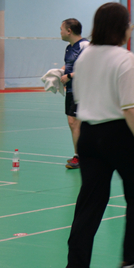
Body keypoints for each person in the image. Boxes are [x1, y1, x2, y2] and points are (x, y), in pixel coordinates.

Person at [54, 3, 134, 268]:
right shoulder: (125, 58)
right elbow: (129, 109)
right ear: (120, 27)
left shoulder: (84, 57)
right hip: (119, 136)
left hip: (88, 136)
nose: (131, 28)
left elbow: (88, 95)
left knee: (90, 203)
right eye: (129, 23)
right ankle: (131, 262)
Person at [59, 18, 88, 169]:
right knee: (73, 123)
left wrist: (70, 76)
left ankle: (80, 156)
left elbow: (90, 68)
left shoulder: (85, 46)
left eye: (61, 29)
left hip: (82, 90)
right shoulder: (69, 48)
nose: (60, 32)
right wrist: (58, 72)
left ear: (69, 31)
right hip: (71, 90)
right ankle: (80, 154)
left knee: (75, 122)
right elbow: (69, 65)